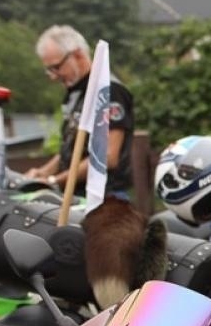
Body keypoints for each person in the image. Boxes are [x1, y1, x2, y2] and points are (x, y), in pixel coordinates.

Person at [24, 26, 135, 198]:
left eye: (56, 67)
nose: (53, 76)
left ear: (77, 55)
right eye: (49, 70)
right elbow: (70, 149)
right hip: (77, 196)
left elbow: (107, 156)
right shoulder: (76, 92)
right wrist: (42, 174)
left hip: (104, 198)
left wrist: (55, 181)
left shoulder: (108, 90)